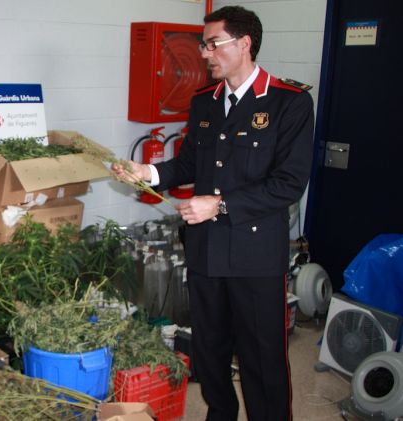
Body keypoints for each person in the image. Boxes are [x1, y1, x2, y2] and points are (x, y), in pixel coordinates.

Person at [113, 5, 314, 421]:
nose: (204, 54)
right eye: (203, 45)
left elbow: (288, 184)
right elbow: (188, 165)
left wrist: (219, 204)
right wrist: (146, 171)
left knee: (262, 358)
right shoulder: (205, 101)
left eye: (212, 44)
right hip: (206, 252)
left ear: (244, 44)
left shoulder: (287, 102)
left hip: (255, 255)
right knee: (210, 351)